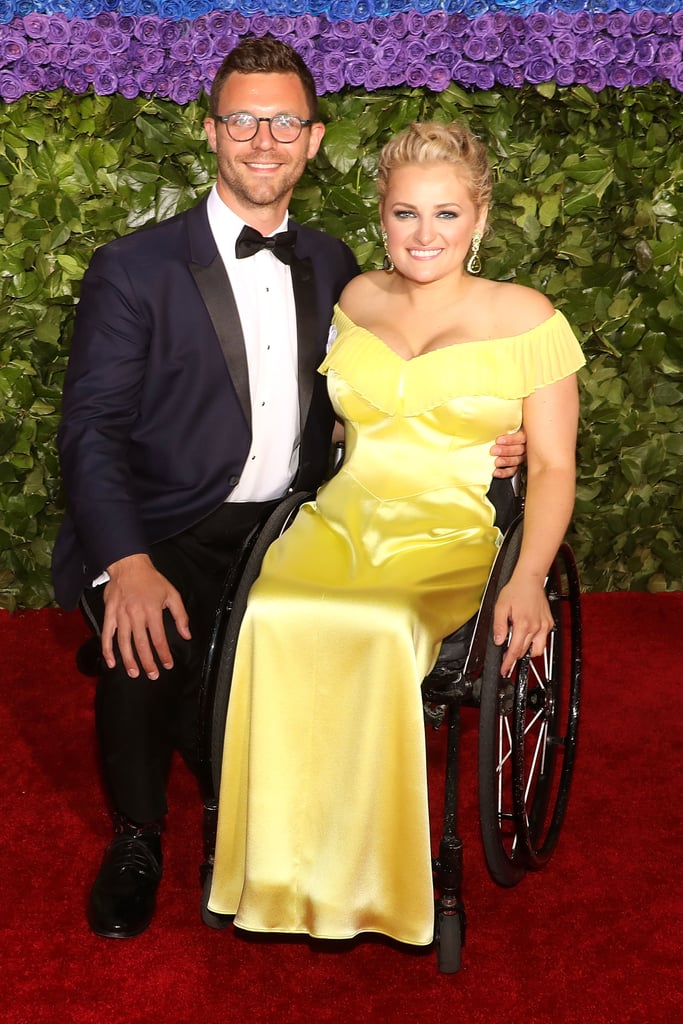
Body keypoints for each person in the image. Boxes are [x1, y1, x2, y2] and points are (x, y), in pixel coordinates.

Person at [52, 37, 528, 941]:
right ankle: (137, 837)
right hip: (169, 522)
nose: (262, 138)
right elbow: (93, 431)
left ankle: (284, 834)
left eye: (283, 121)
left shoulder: (338, 265)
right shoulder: (135, 267)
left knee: (301, 641)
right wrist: (124, 561)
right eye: (242, 119)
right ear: (211, 132)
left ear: (313, 140)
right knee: (144, 635)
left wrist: (478, 435)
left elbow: (373, 393)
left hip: (296, 518)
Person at [207, 121, 585, 947]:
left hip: (447, 530)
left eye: (445, 215)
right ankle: (278, 873)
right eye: (406, 214)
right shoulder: (357, 301)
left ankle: (368, 883)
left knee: (380, 627)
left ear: (478, 219)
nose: (425, 235)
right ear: (381, 217)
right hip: (344, 515)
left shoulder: (526, 317)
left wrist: (527, 577)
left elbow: (554, 468)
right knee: (271, 611)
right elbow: (344, 433)